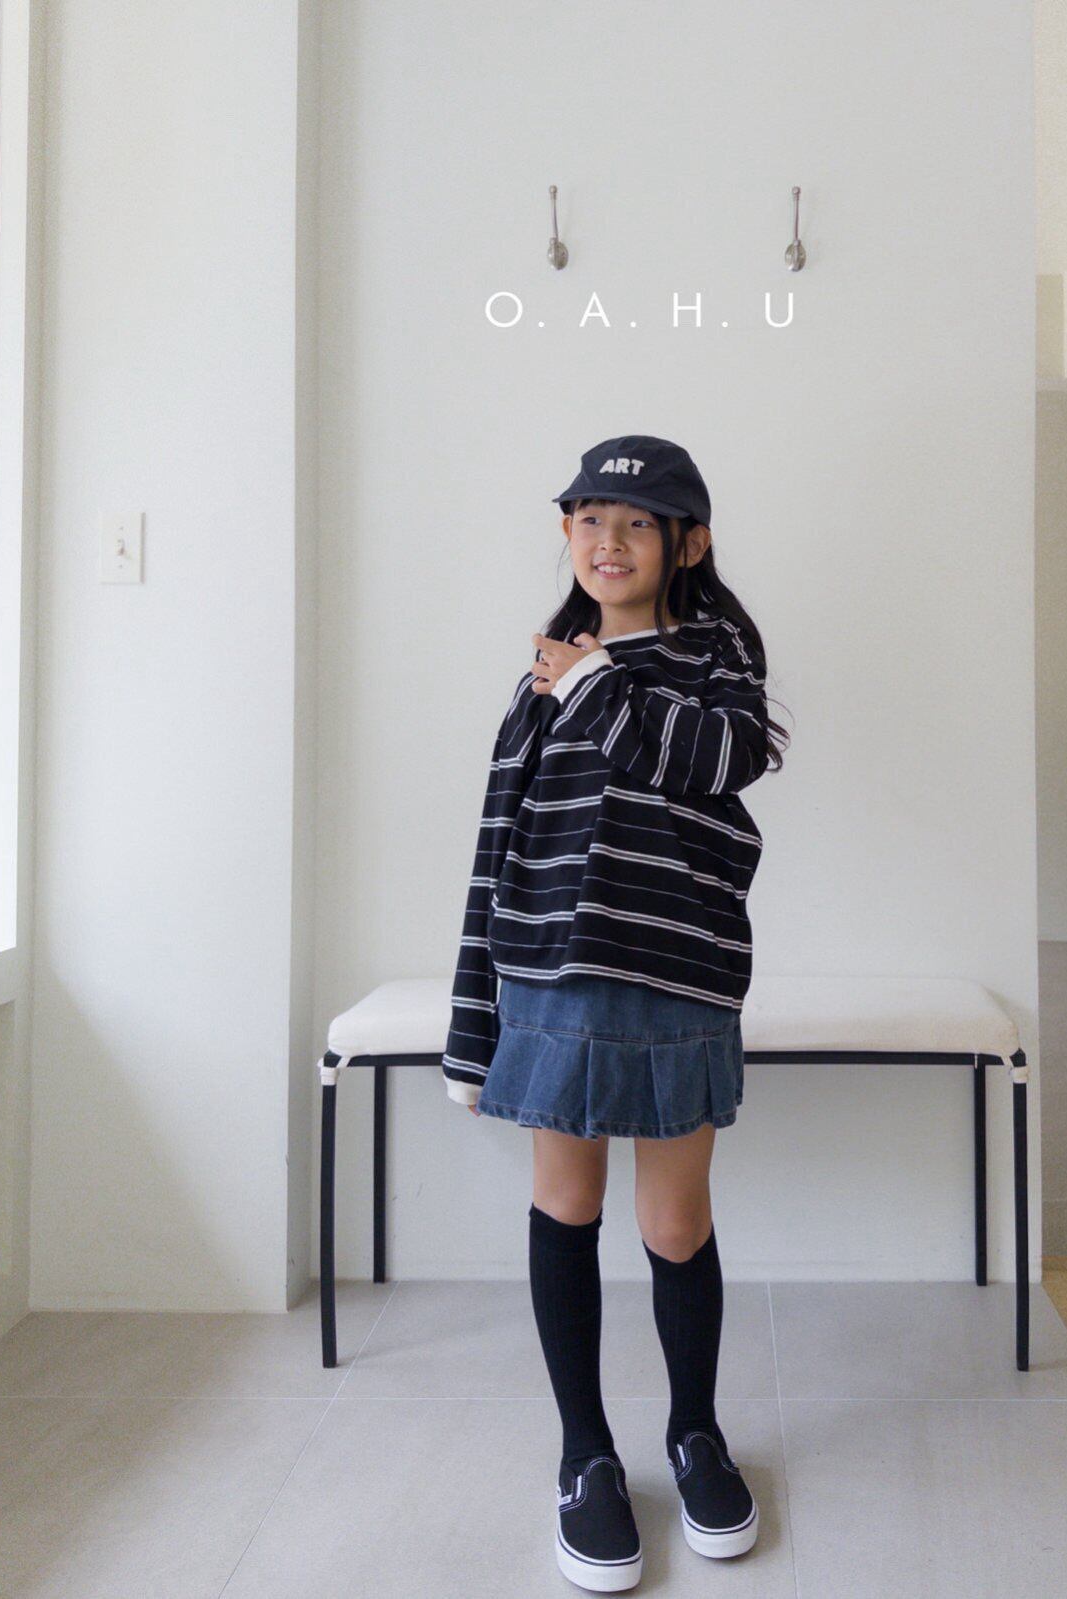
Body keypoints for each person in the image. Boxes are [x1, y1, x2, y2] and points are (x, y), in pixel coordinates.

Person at [441, 433, 788, 1592]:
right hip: (553, 978)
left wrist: (595, 683)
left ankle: (694, 1435)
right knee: (565, 1204)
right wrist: (471, 1021)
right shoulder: (543, 679)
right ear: (566, 534)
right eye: (589, 519)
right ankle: (583, 1454)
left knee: (675, 1223)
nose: (609, 541)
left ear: (686, 544)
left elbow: (714, 761)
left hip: (678, 975)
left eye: (636, 522)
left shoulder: (712, 663)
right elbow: (498, 850)